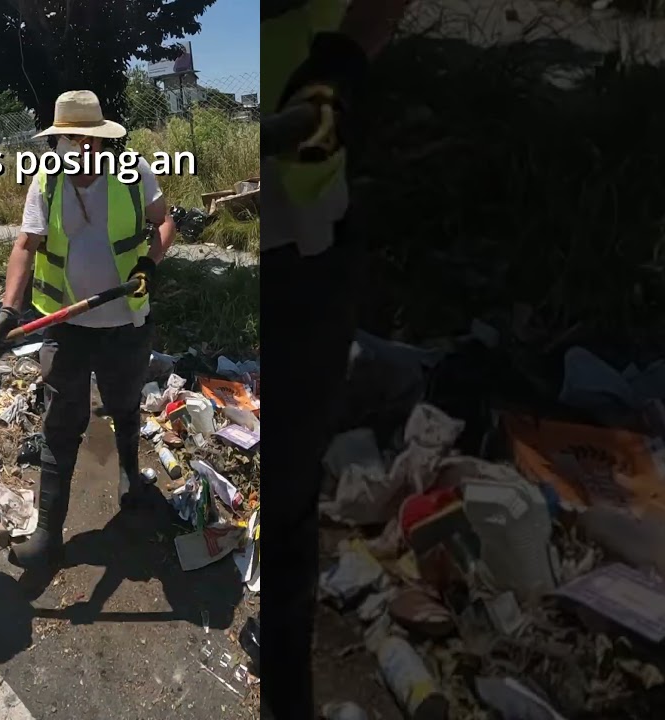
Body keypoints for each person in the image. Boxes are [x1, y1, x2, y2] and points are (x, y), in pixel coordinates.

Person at [264, 1, 410, 718]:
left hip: (304, 258)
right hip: (271, 246)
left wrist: (344, 60)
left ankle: (286, 686)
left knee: (287, 496)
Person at [0, 89, 178, 568]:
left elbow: (164, 223)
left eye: (83, 140)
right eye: (66, 140)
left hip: (125, 321)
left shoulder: (133, 173)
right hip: (66, 324)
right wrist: (8, 308)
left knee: (125, 404)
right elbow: (25, 245)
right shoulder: (46, 181)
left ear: (99, 140)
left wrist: (150, 263)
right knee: (60, 423)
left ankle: (130, 476)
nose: (75, 149)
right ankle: (48, 535)